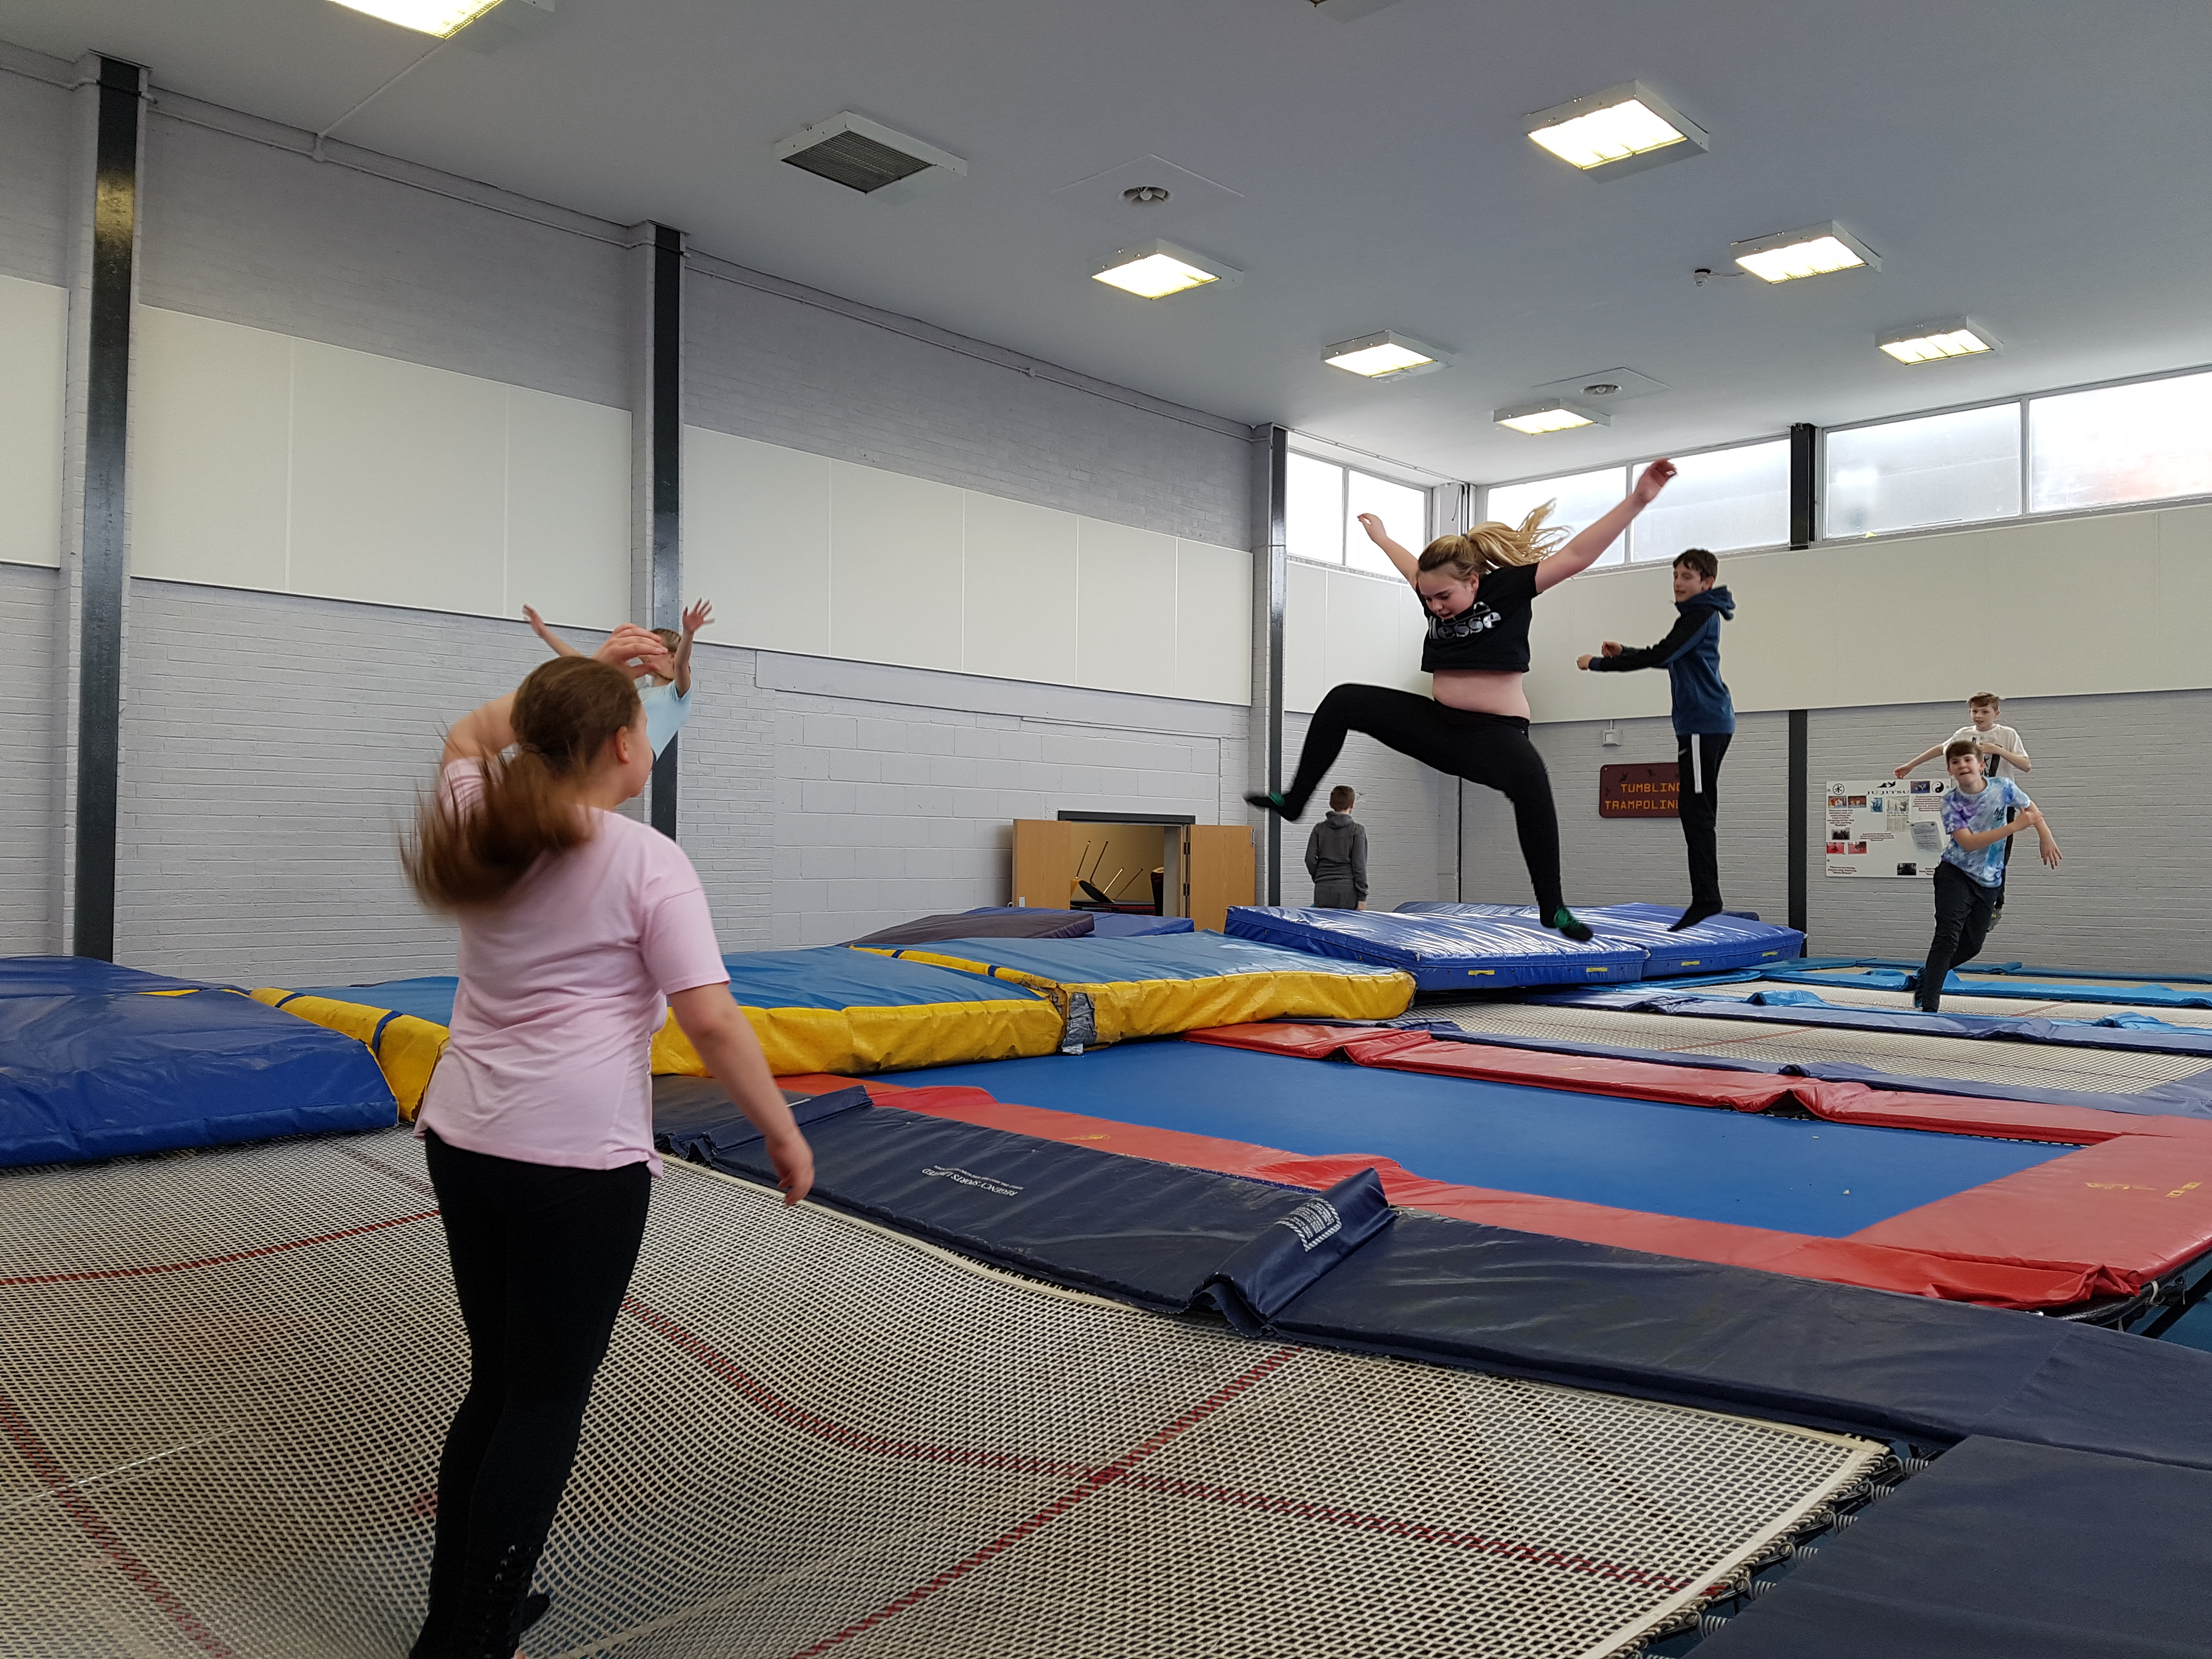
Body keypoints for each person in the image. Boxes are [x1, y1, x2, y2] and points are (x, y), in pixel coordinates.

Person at [401, 653, 813, 1659]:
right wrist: (781, 1127)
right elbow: (709, 1018)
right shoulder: (646, 860)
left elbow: (469, 733)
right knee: (544, 1398)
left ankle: (455, 1619)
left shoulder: (481, 819)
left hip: (465, 1137)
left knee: (497, 1383)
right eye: (641, 720)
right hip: (575, 1157)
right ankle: (476, 1639)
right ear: (625, 743)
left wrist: (575, 679)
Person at [1248, 460, 1679, 940]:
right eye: (1428, 598)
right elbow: (1411, 567)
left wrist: (1639, 499)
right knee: (1342, 699)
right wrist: (1383, 539)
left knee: (1533, 784)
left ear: (1473, 581)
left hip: (1494, 736)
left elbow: (1577, 554)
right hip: (1438, 726)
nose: (1435, 607)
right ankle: (1296, 799)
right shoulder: (1434, 589)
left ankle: (1553, 907)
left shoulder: (1509, 589)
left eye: (1443, 597)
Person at [1575, 547, 1735, 932]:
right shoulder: (1698, 615)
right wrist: (1626, 651)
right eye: (1675, 576)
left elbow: (1663, 654)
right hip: (1705, 722)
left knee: (1696, 811)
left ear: (1707, 583)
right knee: (1694, 808)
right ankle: (1706, 897)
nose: (1678, 583)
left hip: (1702, 724)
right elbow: (1671, 655)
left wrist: (1600, 664)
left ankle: (1707, 899)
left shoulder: (1701, 614)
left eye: (1687, 577)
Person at [1912, 738, 2059, 1014]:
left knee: (1972, 946)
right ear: (1950, 771)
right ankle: (1929, 1007)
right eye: (1955, 762)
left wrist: (2045, 837)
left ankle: (1929, 974)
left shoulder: (2003, 788)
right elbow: (1968, 843)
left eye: (1968, 760)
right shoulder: (1950, 802)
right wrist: (2014, 827)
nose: (1962, 765)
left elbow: (2031, 810)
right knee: (1947, 938)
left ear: (1981, 765)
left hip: (1989, 878)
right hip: (1955, 873)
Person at [1895, 692, 2033, 924]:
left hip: (1998, 802)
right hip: (1969, 802)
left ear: (1996, 714)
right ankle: (1963, 894)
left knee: (1997, 854)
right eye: (1974, 711)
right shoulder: (1964, 735)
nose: (1978, 716)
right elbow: (1941, 748)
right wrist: (1911, 765)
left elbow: (2026, 765)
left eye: (1984, 712)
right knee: (1965, 849)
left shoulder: (2007, 734)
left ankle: (1995, 904)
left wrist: (1998, 750)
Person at [524, 599, 715, 758]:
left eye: (654, 645)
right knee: (590, 676)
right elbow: (586, 666)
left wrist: (689, 633)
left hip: (636, 755)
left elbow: (682, 664)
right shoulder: (640, 689)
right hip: (615, 749)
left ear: (671, 656)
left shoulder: (678, 694)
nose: (646, 649)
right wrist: (544, 633)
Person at [1304, 786, 1368, 910]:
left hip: (1322, 889)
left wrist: (1320, 877)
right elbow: (1359, 865)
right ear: (1353, 804)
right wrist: (1362, 897)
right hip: (1347, 891)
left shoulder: (1319, 829)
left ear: (1331, 804)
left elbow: (1310, 859)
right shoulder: (1357, 830)